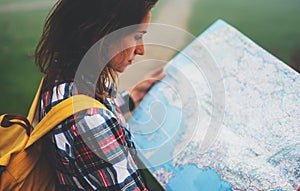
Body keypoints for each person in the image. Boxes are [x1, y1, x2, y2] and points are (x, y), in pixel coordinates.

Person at [34, 0, 165, 190]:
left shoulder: (62, 79)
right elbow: (94, 120)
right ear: (105, 34)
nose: (141, 50)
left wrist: (132, 97)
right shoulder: (90, 119)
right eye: (137, 36)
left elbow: (96, 107)